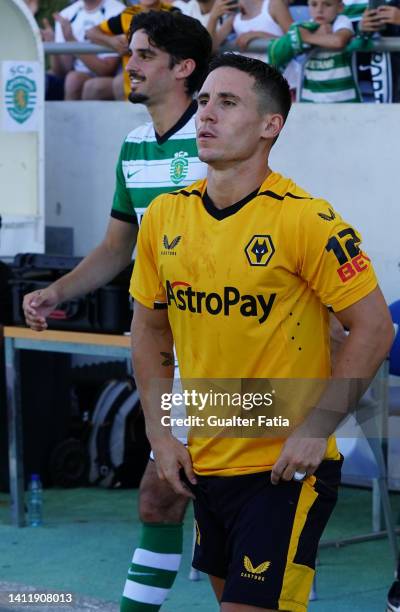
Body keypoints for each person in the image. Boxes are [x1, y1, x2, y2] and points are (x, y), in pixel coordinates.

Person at [129, 52, 394, 611]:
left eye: (227, 103)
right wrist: (160, 433)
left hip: (285, 469)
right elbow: (150, 328)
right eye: (202, 101)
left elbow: (373, 327)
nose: (205, 115)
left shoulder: (306, 219)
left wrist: (316, 429)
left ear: (271, 125)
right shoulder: (163, 218)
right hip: (207, 458)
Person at [22, 11, 212, 612]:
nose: (129, 64)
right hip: (161, 353)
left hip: (221, 353)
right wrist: (59, 291)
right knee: (164, 497)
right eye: (131, 53)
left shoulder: (215, 140)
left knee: (201, 501)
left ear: (183, 68)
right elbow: (115, 247)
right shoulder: (133, 143)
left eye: (145, 55)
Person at [85, 0, 179, 100]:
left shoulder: (173, 13)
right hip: (132, 91)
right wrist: (112, 41)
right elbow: (91, 33)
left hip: (162, 90)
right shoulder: (128, 14)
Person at [43, 0, 125, 100]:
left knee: (93, 87)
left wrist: (72, 42)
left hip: (113, 77)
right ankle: (71, 116)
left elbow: (106, 70)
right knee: (72, 79)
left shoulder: (117, 10)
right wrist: (52, 45)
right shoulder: (66, 14)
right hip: (80, 76)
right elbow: (62, 72)